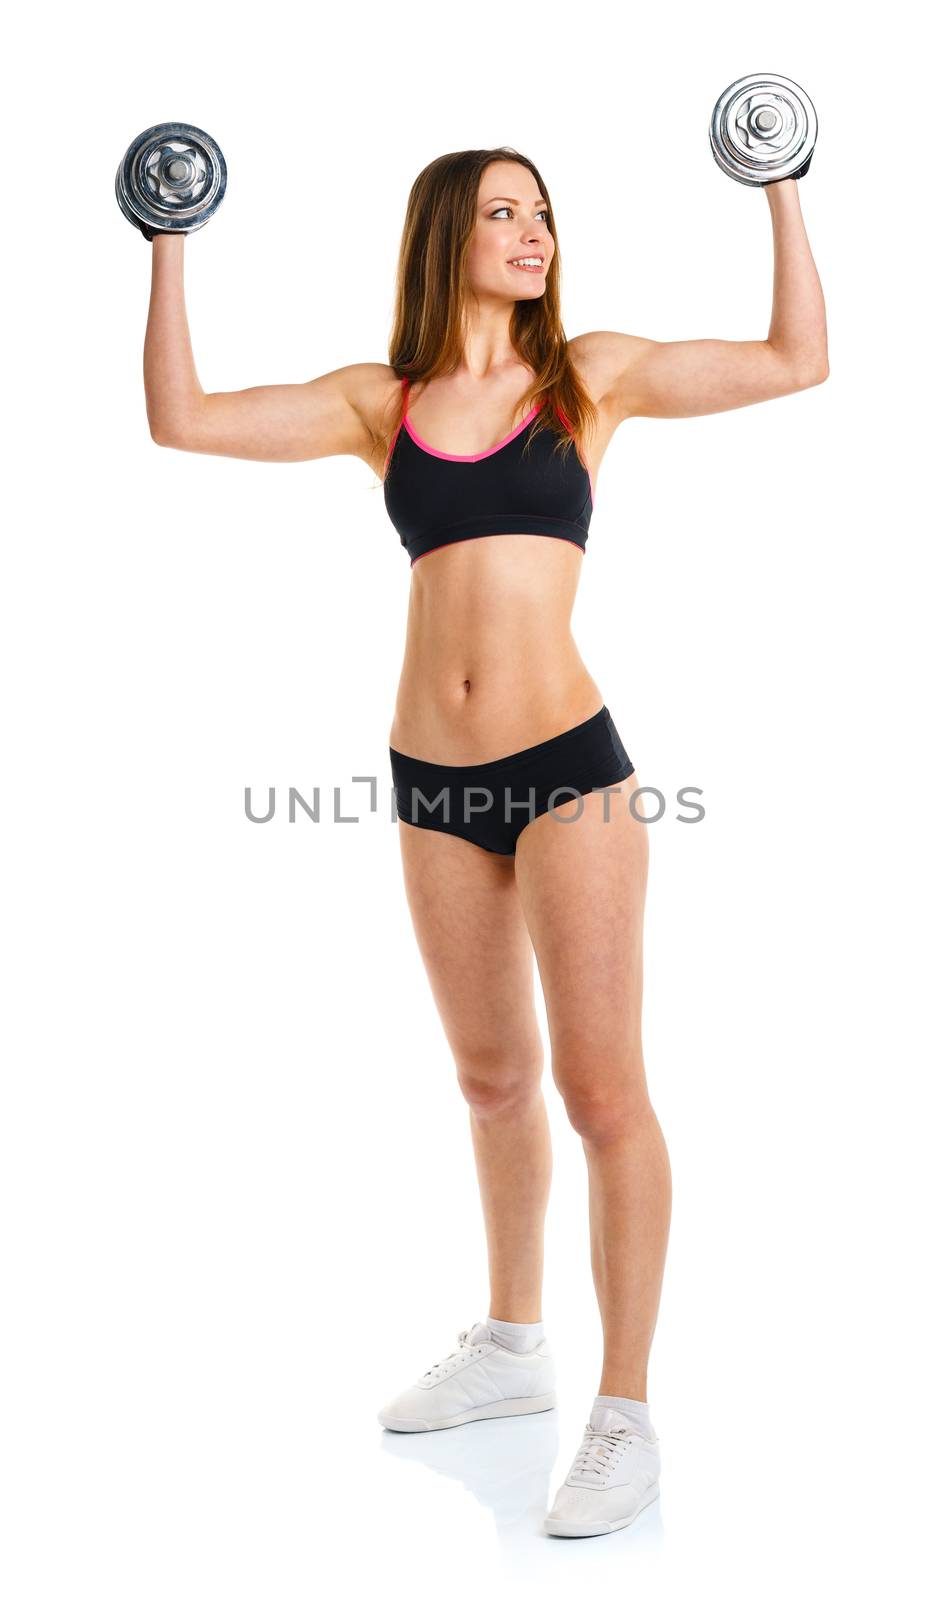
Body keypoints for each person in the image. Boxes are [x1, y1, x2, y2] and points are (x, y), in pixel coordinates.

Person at [143, 145, 828, 1538]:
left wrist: (783, 181)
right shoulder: (374, 403)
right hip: (426, 781)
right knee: (489, 1082)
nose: (532, 233)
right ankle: (513, 1350)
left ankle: (625, 1409)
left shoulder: (593, 375)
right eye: (504, 212)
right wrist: (168, 232)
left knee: (599, 1096)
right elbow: (181, 420)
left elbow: (793, 359)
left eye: (543, 214)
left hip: (567, 773)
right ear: (447, 232)